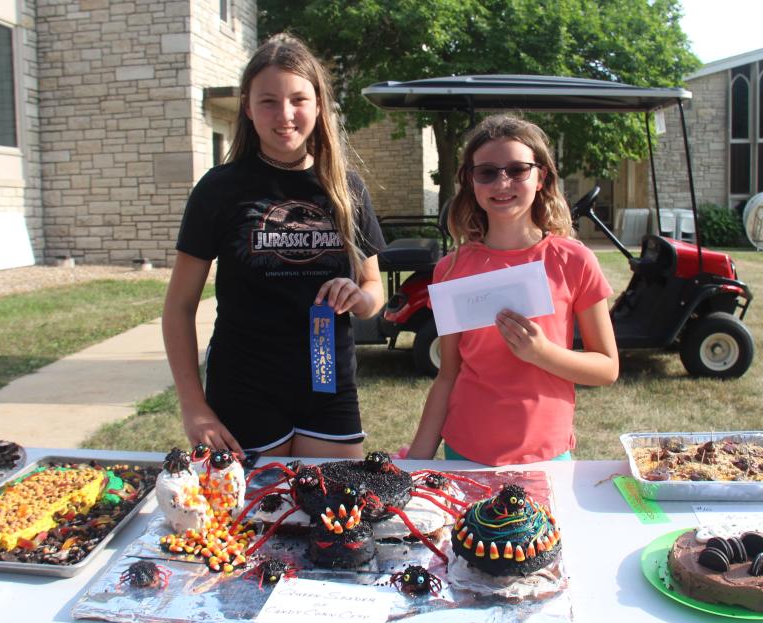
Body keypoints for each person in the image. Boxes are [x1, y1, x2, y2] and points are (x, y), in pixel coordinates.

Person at [162, 34, 385, 460]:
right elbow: (179, 306)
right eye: (268, 101)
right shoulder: (219, 188)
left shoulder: (346, 188)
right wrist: (194, 408)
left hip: (328, 383)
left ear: (318, 105)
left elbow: (375, 289)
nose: (285, 114)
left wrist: (360, 297)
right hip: (244, 388)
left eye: (298, 99)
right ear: (247, 107)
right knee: (251, 521)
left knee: (334, 518)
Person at [407, 114, 619, 466]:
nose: (501, 183)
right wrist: (414, 466)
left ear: (540, 178)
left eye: (517, 169)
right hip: (465, 452)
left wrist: (541, 353)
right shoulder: (451, 269)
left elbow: (607, 367)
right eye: (487, 172)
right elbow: (447, 376)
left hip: (546, 456)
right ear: (471, 182)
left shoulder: (574, 260)